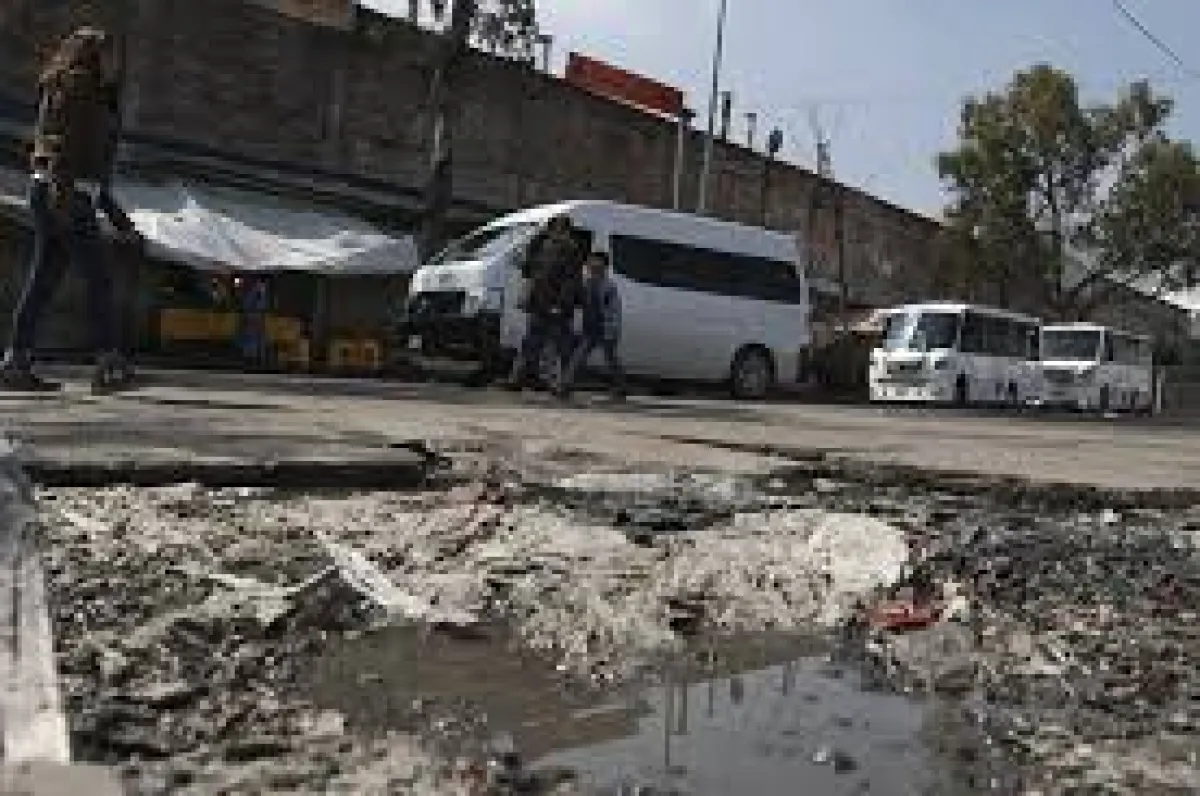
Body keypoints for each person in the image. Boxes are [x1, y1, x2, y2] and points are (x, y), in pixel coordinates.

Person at [0, 27, 143, 394]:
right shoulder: (78, 88)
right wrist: (63, 199)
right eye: (109, 53)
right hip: (64, 194)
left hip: (61, 193)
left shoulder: (87, 91)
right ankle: (109, 364)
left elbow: (92, 166)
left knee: (43, 281)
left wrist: (117, 217)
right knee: (98, 280)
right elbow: (61, 150)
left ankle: (16, 362)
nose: (118, 62)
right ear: (91, 54)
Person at [503, 215, 582, 391]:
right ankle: (518, 378)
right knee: (531, 342)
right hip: (540, 303)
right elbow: (534, 271)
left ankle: (562, 384)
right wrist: (523, 264)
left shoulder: (571, 251)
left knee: (560, 347)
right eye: (553, 229)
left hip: (558, 307)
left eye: (559, 230)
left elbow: (571, 281)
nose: (555, 233)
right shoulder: (545, 247)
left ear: (566, 232)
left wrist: (561, 304)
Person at [557, 251, 625, 401]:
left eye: (596, 263)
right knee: (578, 357)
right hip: (590, 328)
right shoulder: (586, 283)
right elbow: (581, 303)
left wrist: (612, 329)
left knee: (611, 359)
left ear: (604, 267)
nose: (592, 265)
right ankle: (565, 386)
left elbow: (614, 311)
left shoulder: (609, 287)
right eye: (591, 262)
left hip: (605, 328)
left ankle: (620, 386)